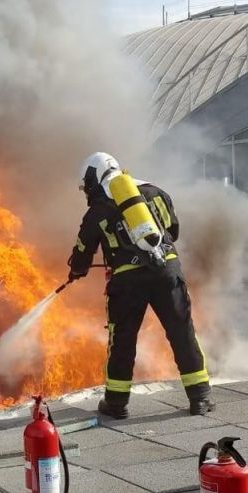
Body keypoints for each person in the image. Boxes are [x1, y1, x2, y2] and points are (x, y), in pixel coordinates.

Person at [67, 152, 213, 419]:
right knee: (182, 332)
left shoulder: (98, 210)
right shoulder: (156, 192)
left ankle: (116, 404)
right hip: (167, 273)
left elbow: (82, 251)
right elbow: (173, 230)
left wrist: (77, 270)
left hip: (127, 284)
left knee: (122, 342)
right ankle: (200, 397)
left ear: (94, 179)